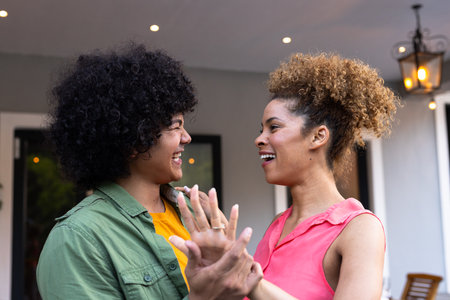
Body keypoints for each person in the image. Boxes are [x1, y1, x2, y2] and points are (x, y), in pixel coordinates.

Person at [36, 43, 261, 299]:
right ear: (135, 140)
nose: (186, 138)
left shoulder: (193, 215)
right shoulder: (78, 239)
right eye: (175, 127)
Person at [172, 52, 399, 299]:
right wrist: (227, 252)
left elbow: (255, 286)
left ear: (318, 136)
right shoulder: (279, 224)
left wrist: (251, 280)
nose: (259, 139)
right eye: (262, 130)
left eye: (274, 127)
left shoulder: (359, 228)